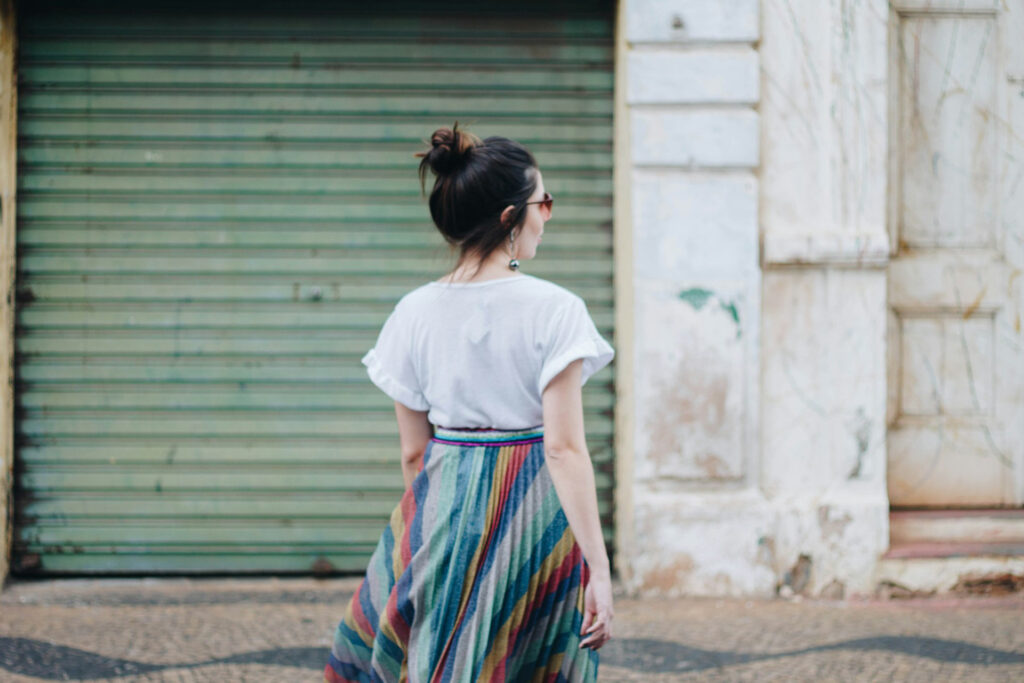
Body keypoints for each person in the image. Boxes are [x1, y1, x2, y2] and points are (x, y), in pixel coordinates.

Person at [324, 123, 615, 682]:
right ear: (511, 218)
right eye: (543, 203)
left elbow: (414, 454)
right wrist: (598, 568)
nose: (548, 215)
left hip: (444, 511)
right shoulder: (557, 310)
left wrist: (434, 535)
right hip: (537, 519)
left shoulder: (413, 312)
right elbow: (564, 449)